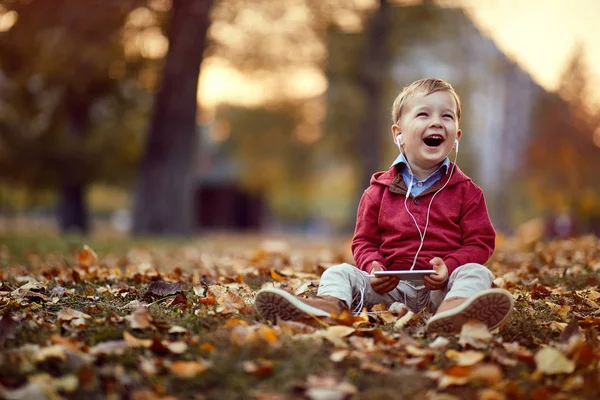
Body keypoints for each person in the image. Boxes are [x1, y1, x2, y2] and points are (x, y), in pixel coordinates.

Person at [255, 78, 513, 334]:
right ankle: (327, 307)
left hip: (442, 289)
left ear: (456, 135)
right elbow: (364, 242)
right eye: (423, 114)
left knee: (476, 272)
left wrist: (450, 266)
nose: (436, 122)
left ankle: (456, 312)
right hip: (391, 289)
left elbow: (480, 242)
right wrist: (374, 267)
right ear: (398, 134)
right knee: (339, 272)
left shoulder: (467, 192)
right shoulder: (377, 192)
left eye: (446, 116)